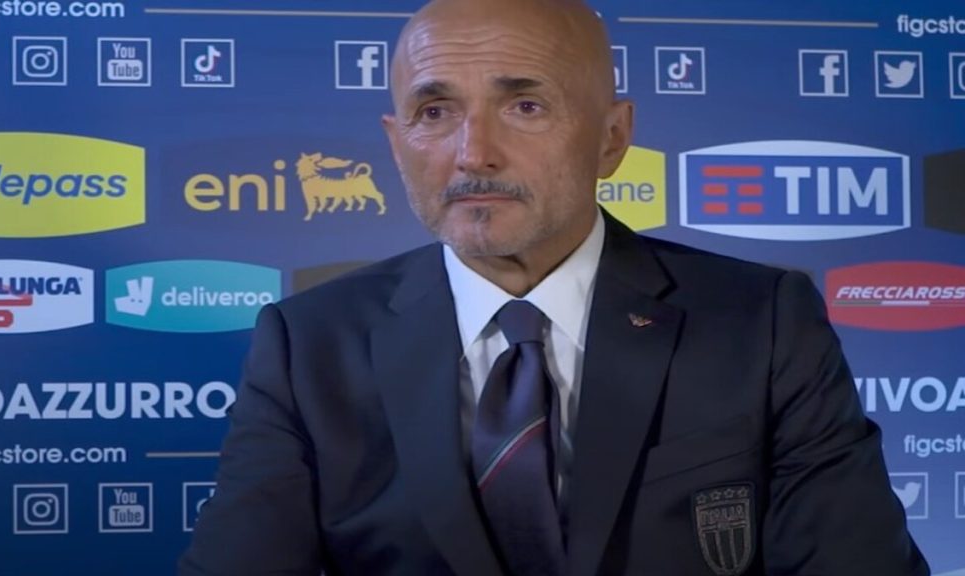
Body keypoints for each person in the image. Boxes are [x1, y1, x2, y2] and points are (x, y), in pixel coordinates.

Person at [180, 0, 929, 574]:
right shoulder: (307, 345)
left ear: (612, 137)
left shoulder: (762, 323)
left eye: (525, 105)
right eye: (435, 111)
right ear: (396, 142)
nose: (474, 153)